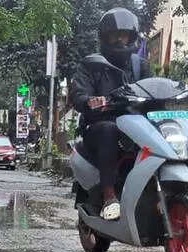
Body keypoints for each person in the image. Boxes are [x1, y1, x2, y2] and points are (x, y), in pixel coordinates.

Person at [69, 8, 151, 220]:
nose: (120, 41)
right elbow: (79, 93)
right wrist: (89, 101)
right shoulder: (91, 64)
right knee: (109, 130)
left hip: (136, 125)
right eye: (114, 35)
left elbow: (152, 89)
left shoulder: (140, 65)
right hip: (99, 125)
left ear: (132, 37)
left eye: (124, 35)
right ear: (105, 38)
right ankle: (109, 197)